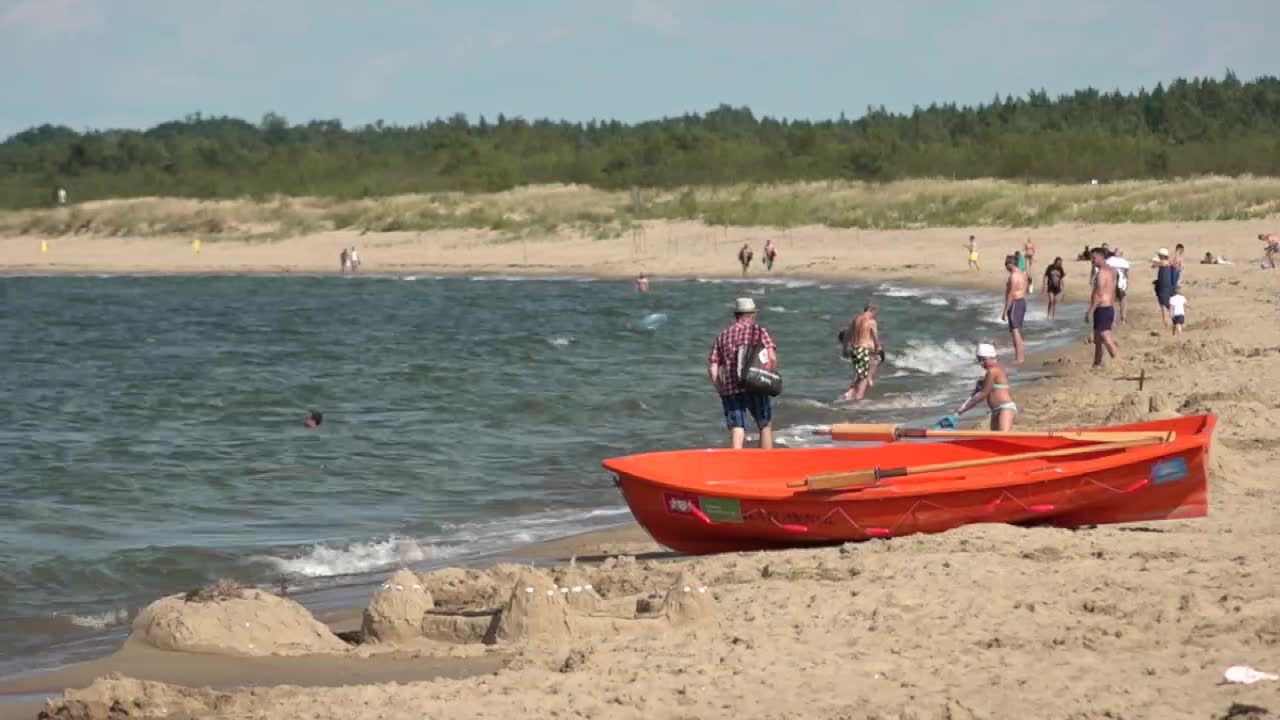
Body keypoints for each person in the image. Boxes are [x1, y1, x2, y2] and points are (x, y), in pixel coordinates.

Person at [708, 298, 777, 449]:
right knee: (764, 424)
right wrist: (769, 377)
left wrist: (720, 388)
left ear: (736, 315)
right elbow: (771, 357)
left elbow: (713, 367)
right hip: (755, 384)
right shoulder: (758, 331)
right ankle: (766, 463)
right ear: (752, 315)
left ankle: (736, 465)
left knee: (737, 427)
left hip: (731, 388)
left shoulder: (723, 336)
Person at [956, 343, 1017, 431]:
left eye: (984, 359)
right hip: (995, 410)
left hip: (1005, 408)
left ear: (992, 357)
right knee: (996, 441)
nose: (981, 363)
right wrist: (983, 383)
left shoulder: (993, 371)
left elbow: (983, 394)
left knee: (1003, 437)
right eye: (979, 360)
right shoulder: (996, 370)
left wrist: (964, 409)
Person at [840, 304, 881, 402]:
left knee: (860, 375)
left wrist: (845, 349)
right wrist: (878, 348)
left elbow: (847, 335)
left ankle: (849, 393)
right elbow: (875, 338)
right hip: (864, 350)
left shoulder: (855, 319)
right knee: (864, 377)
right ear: (871, 310)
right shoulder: (871, 322)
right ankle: (859, 398)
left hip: (855, 349)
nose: (875, 315)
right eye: (875, 313)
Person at [1087, 248, 1119, 368]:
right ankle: (1097, 363)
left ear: (1101, 257)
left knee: (1105, 336)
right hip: (1108, 307)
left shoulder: (1101, 273)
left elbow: (1099, 294)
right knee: (1097, 338)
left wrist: (1090, 310)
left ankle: (1117, 361)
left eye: (1094, 258)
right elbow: (1113, 291)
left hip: (1102, 307)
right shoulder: (1111, 271)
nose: (1092, 261)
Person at [1002, 255, 1028, 364]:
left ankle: (1019, 358)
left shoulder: (1014, 276)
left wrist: (1005, 310)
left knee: (1015, 330)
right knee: (1018, 330)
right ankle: (1020, 356)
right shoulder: (1023, 274)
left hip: (1015, 303)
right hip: (1022, 301)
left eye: (1006, 267)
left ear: (1009, 265)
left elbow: (1011, 293)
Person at [1105, 248, 1130, 324]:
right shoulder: (1124, 262)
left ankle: (1115, 320)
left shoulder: (1109, 260)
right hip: (1121, 284)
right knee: (1121, 300)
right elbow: (1127, 274)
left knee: (1115, 301)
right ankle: (1122, 319)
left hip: (1114, 283)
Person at [1152, 248, 1175, 328]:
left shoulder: (1163, 262)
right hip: (1169, 287)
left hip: (1164, 288)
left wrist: (1156, 262)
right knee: (1169, 307)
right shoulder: (1168, 262)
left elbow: (1154, 265)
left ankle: (1167, 325)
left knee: (1164, 307)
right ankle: (1173, 323)